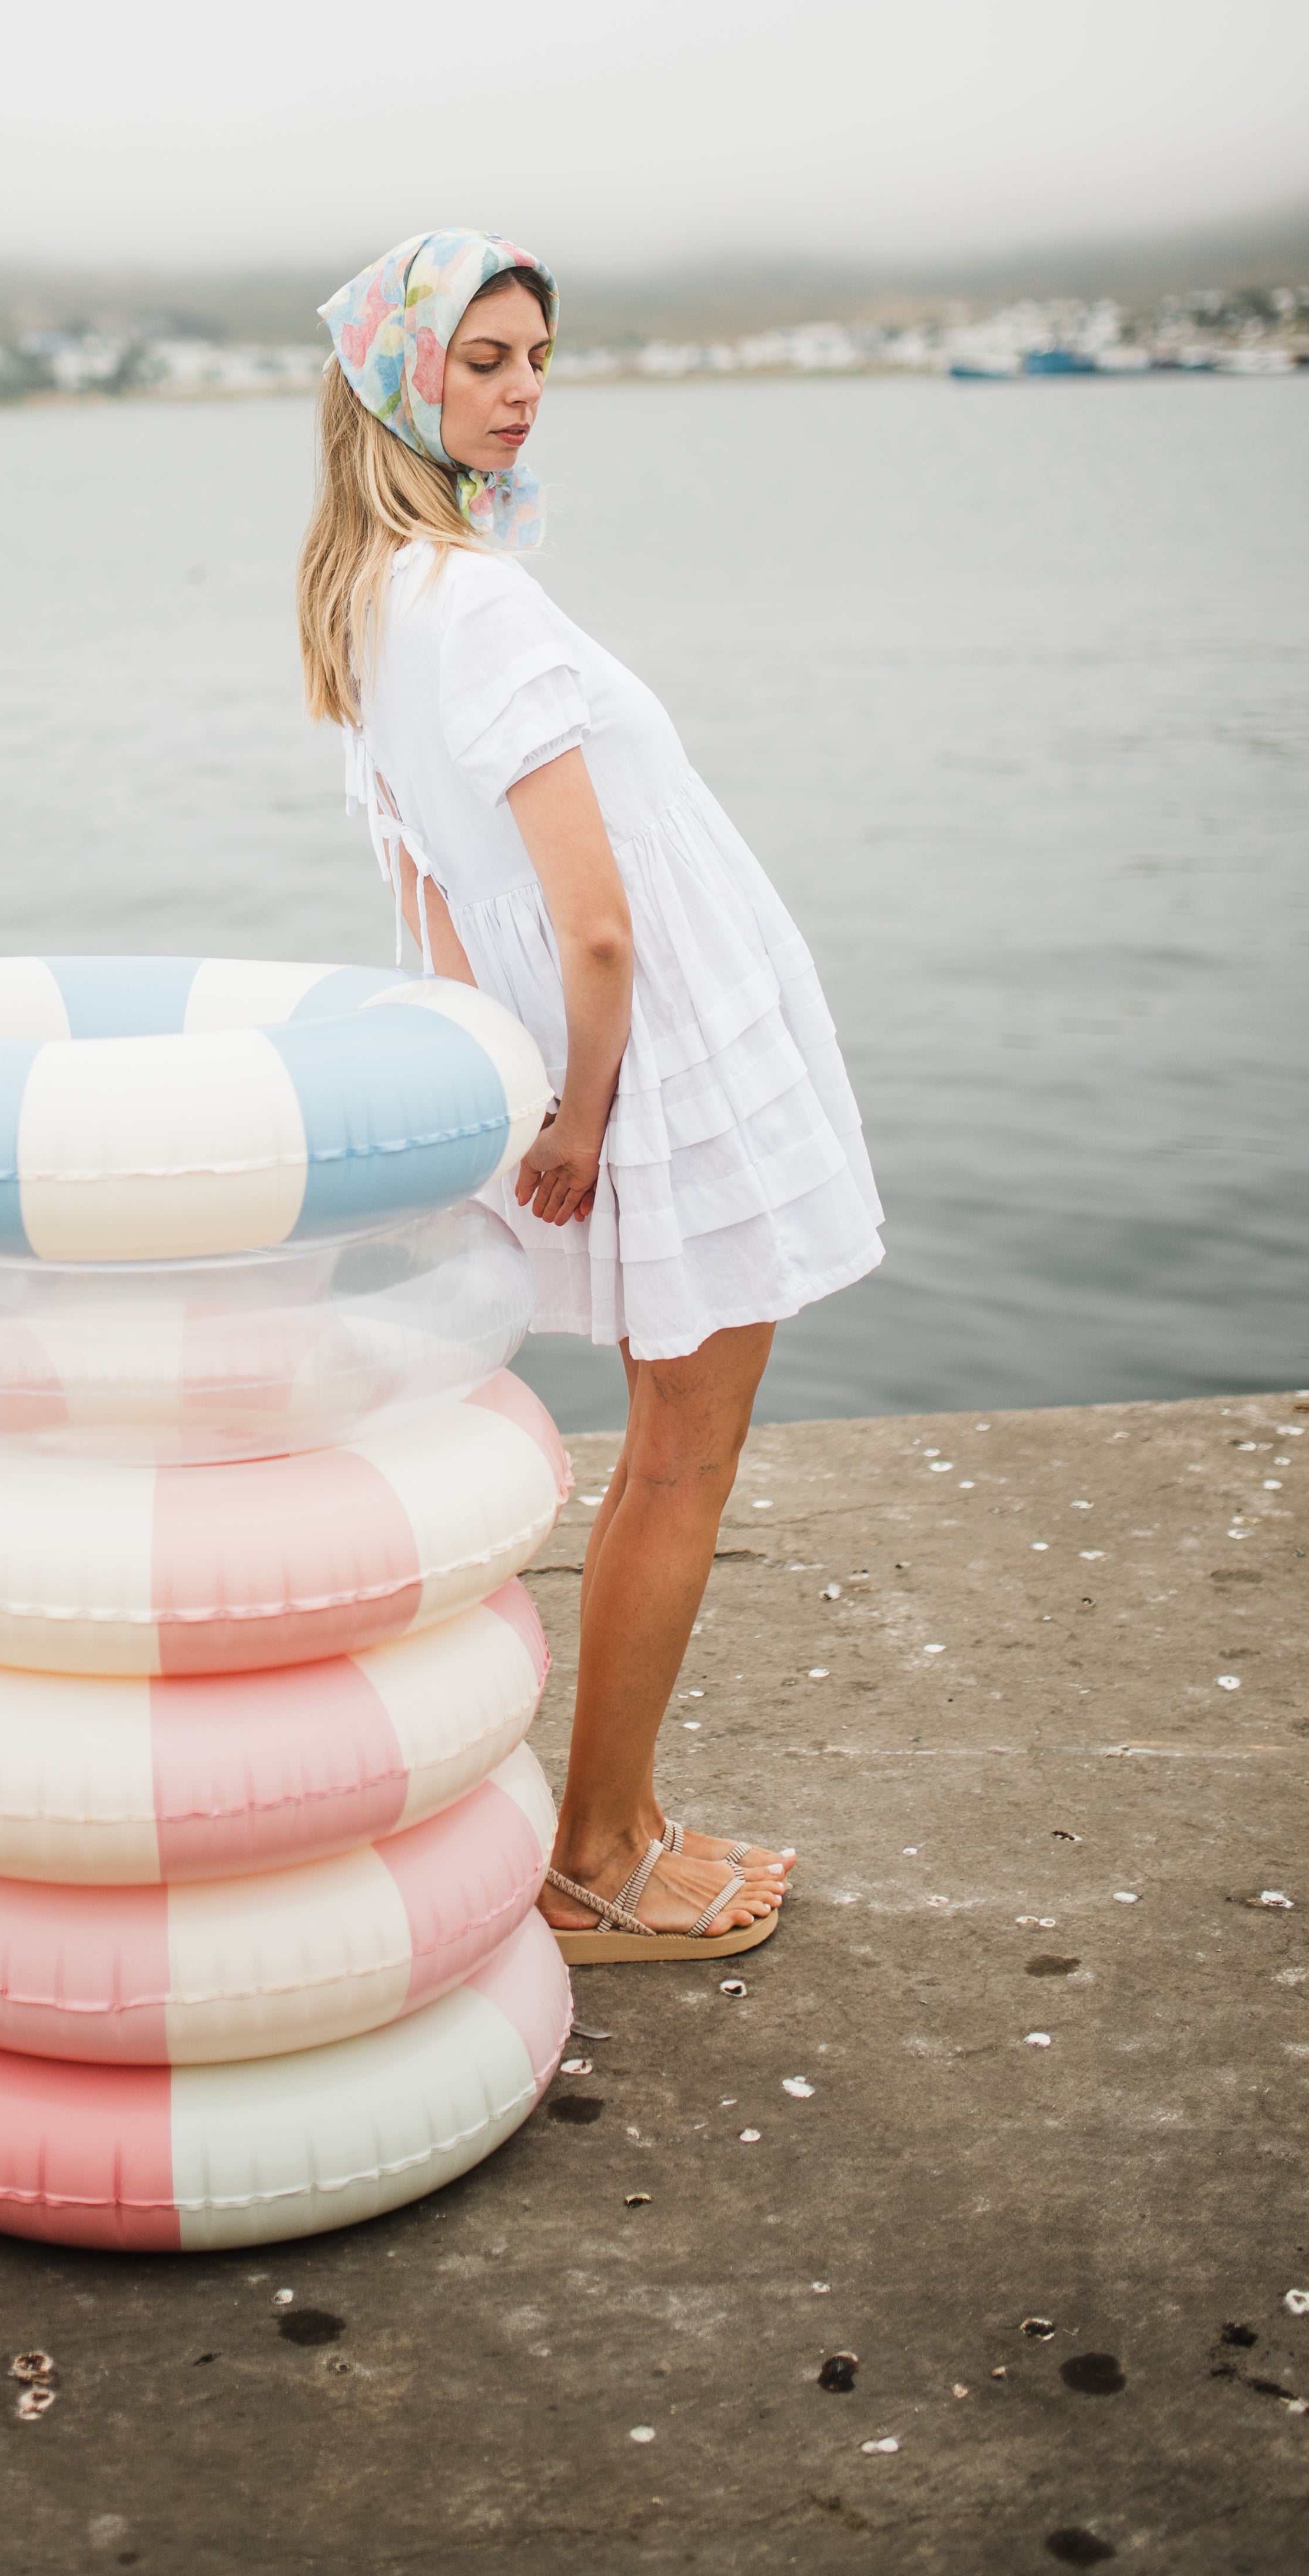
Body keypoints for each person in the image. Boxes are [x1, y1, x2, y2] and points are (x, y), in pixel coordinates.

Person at [297, 231, 885, 1963]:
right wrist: (582, 1113)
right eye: (483, 359)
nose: (525, 388)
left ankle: (598, 1831)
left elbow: (423, 905)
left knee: (655, 1456)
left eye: (539, 354)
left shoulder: (376, 601)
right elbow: (598, 916)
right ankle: (601, 1855)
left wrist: (510, 1089)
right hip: (648, 1068)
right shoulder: (470, 600)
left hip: (585, 1073)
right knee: (685, 1458)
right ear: (403, 379)